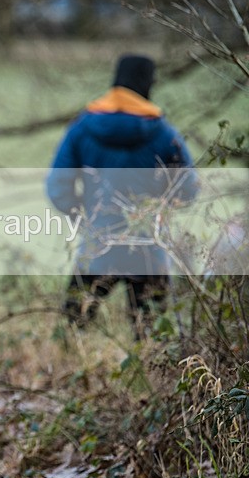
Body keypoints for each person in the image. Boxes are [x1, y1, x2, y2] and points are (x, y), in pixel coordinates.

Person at [46, 54, 199, 339]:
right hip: (148, 248)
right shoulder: (164, 133)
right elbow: (188, 189)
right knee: (154, 340)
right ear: (149, 85)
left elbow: (57, 185)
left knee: (71, 331)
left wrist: (82, 214)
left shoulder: (83, 127)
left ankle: (70, 380)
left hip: (97, 245)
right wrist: (161, 208)